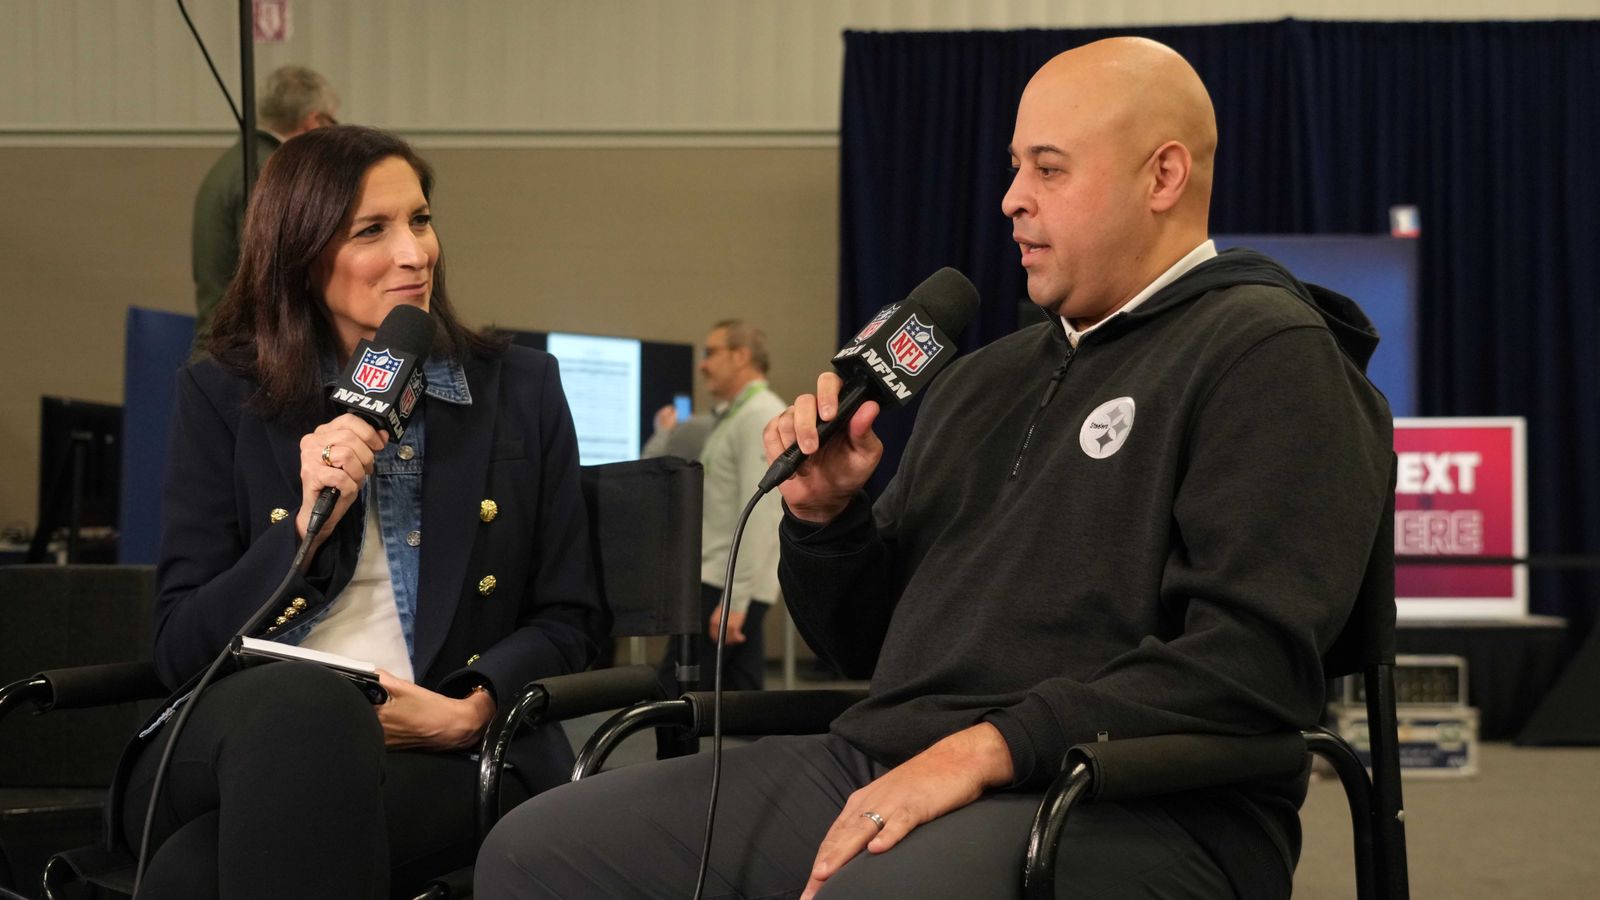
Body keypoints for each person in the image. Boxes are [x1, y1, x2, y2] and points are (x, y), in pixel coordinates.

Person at [475, 36, 1392, 900]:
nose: (1011, 199)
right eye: (1013, 166)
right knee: (536, 852)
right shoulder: (980, 381)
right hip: (897, 762)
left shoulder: (1268, 355)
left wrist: (990, 747)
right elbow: (873, 651)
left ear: (1163, 175)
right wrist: (829, 520)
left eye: (1048, 167)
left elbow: (1249, 666)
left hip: (1141, 799)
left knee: (878, 889)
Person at [117, 125, 601, 899]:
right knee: (309, 713)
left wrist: (469, 708)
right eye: (372, 230)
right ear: (301, 254)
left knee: (192, 873)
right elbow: (182, 648)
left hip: (445, 744)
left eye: (421, 218)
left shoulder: (521, 388)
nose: (415, 252)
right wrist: (304, 530)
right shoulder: (221, 396)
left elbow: (571, 615)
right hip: (248, 728)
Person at [653, 321, 787, 692]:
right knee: (738, 705)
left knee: (675, 699)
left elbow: (761, 512)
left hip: (723, 585)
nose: (703, 364)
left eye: (711, 353)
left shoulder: (760, 415)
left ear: (741, 356)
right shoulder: (737, 416)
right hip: (721, 579)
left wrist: (734, 600)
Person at [191, 64, 339, 351]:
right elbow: (276, 274)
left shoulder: (233, 162)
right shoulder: (273, 173)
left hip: (221, 347)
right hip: (250, 356)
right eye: (332, 122)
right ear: (314, 122)